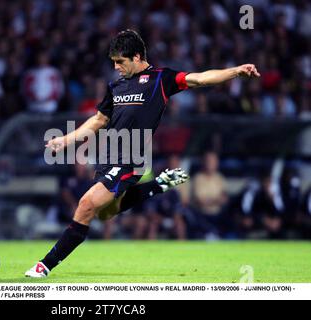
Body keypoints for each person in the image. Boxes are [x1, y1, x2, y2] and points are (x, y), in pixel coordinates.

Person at [26, 30, 260, 277]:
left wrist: (235, 71)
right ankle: (156, 186)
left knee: (85, 204)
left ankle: (45, 265)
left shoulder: (161, 79)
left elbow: (200, 79)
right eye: (114, 62)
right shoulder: (115, 86)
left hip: (130, 159)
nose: (115, 66)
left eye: (120, 61)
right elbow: (98, 120)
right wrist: (66, 140)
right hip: (108, 158)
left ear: (137, 57)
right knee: (105, 212)